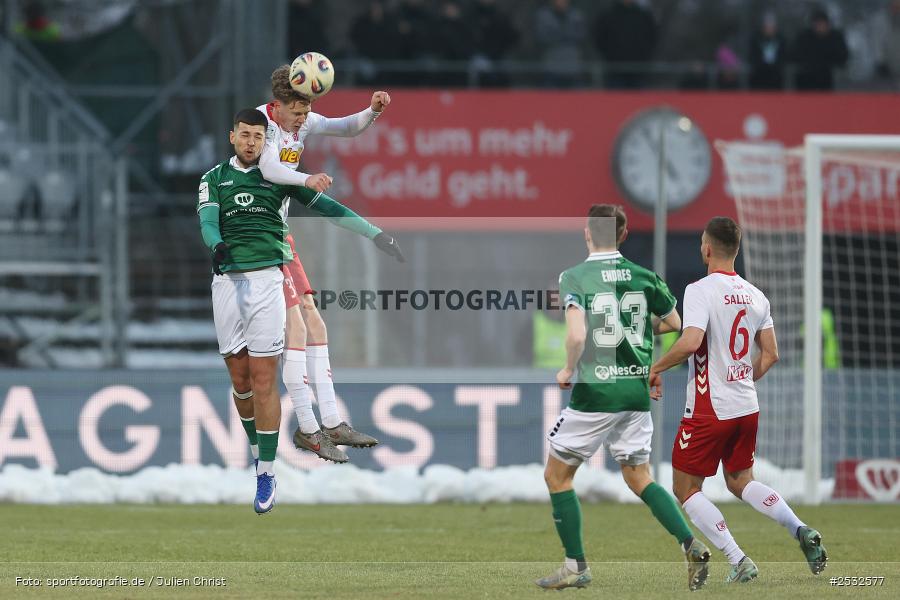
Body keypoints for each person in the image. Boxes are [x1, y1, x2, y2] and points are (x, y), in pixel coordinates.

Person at [197, 108, 403, 513]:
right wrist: (216, 244)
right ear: (232, 137)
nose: (252, 142)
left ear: (265, 139)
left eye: (259, 136)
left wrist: (374, 232)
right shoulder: (213, 179)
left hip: (267, 282)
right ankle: (263, 449)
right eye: (245, 135)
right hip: (227, 284)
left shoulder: (277, 176)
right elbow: (207, 220)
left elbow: (328, 206)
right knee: (240, 383)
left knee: (262, 378)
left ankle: (266, 471)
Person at [537, 205, 710, 591]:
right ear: (624, 234)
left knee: (557, 475)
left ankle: (575, 565)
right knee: (639, 477)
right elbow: (674, 324)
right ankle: (690, 543)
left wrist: (567, 369)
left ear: (587, 233)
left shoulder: (575, 277)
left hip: (596, 392)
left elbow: (578, 335)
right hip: (635, 392)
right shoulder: (644, 277)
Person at [649, 217, 827, 582]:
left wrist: (655, 368)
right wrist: (743, 378)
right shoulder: (756, 295)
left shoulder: (699, 289)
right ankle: (800, 529)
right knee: (740, 479)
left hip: (709, 407)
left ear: (708, 248)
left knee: (685, 489)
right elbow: (771, 354)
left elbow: (691, 341)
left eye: (702, 242)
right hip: (747, 405)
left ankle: (738, 558)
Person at [254, 65, 402, 464]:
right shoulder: (260, 122)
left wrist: (372, 112)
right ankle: (307, 427)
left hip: (279, 233)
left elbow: (345, 127)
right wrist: (306, 179)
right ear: (278, 106)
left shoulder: (301, 120)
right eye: (298, 114)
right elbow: (269, 169)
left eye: (307, 114)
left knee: (314, 320)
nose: (304, 121)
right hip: (256, 236)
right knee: (297, 326)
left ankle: (332, 422)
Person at [592, 0, 658, 89]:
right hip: (614, 70)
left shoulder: (644, 15)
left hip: (639, 69)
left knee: (640, 101)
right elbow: (598, 38)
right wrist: (609, 56)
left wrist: (644, 56)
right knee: (615, 101)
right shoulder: (607, 14)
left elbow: (653, 37)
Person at [791, 8, 848, 91]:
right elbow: (795, 55)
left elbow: (842, 57)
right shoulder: (804, 38)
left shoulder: (835, 37)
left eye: (822, 23)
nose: (820, 26)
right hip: (806, 79)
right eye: (817, 23)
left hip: (827, 78)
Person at [534, 0, 586, 88]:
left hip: (573, 66)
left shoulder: (577, 15)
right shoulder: (543, 16)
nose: (561, 2)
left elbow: (581, 35)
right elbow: (541, 36)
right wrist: (565, 34)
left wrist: (556, 33)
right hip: (551, 67)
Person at [748, 12, 787, 90]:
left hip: (776, 77)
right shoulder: (756, 39)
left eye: (771, 26)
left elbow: (784, 56)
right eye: (767, 26)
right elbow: (752, 56)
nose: (769, 28)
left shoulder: (781, 40)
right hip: (759, 77)